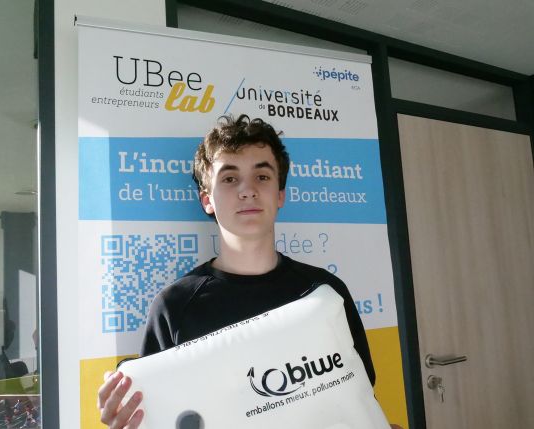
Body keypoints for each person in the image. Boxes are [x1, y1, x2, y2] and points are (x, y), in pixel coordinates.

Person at [98, 115, 376, 428]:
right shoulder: (174, 307)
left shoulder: (324, 292)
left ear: (280, 194)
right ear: (207, 200)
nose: (247, 190)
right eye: (229, 179)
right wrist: (127, 415)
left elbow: (358, 394)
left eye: (263, 176)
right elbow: (158, 415)